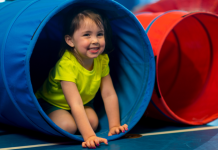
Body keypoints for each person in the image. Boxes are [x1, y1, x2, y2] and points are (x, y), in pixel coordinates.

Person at [35, 7, 128, 148]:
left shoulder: (102, 60)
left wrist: (114, 125)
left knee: (93, 122)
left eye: (100, 34)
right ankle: (45, 117)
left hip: (83, 102)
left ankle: (78, 122)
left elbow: (108, 94)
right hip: (53, 103)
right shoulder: (66, 65)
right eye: (87, 35)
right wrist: (90, 136)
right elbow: (75, 104)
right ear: (70, 41)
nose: (95, 40)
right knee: (68, 126)